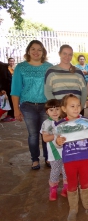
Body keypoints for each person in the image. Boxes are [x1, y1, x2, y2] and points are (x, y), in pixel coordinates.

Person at [55, 94, 88, 221]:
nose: (76, 109)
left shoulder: (86, 122)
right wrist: (58, 141)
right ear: (64, 108)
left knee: (85, 182)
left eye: (78, 105)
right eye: (72, 106)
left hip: (85, 157)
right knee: (72, 183)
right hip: (69, 159)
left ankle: (87, 204)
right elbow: (57, 143)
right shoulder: (60, 125)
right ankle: (73, 208)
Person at [11, 40, 52, 170]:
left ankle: (48, 158)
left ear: (43, 52)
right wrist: (16, 110)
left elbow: (54, 86)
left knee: (46, 133)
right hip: (28, 106)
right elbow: (15, 90)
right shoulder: (21, 67)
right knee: (33, 134)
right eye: (33, 49)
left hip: (46, 106)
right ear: (28, 51)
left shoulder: (49, 67)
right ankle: (35, 159)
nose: (36, 52)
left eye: (39, 49)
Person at [41, 99, 67, 201]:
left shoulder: (65, 121)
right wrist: (57, 134)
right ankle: (53, 190)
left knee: (66, 170)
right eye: (51, 110)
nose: (55, 112)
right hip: (54, 153)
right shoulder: (46, 123)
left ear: (61, 109)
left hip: (66, 151)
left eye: (57, 109)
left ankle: (66, 188)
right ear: (47, 112)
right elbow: (45, 138)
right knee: (55, 171)